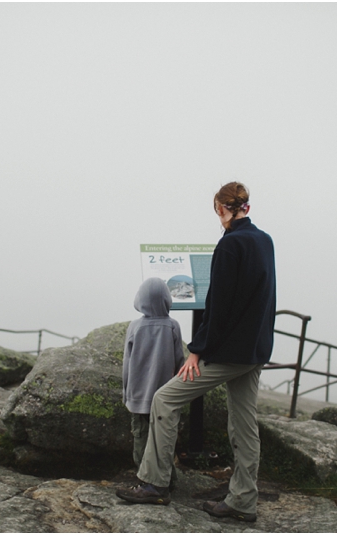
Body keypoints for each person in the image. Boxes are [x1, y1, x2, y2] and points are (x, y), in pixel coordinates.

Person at [116, 182, 276, 523]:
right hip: (255, 350)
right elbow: (264, 297)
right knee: (244, 424)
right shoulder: (264, 241)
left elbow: (219, 306)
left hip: (229, 353)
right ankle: (243, 501)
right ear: (246, 207)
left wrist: (197, 352)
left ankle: (154, 484)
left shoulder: (230, 245)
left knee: (165, 399)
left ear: (221, 209)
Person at [122, 277, 184, 489]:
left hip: (138, 397)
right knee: (163, 441)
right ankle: (169, 480)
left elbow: (127, 363)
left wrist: (126, 392)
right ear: (167, 299)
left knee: (141, 440)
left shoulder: (134, 327)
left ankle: (144, 479)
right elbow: (179, 362)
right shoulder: (173, 326)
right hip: (166, 398)